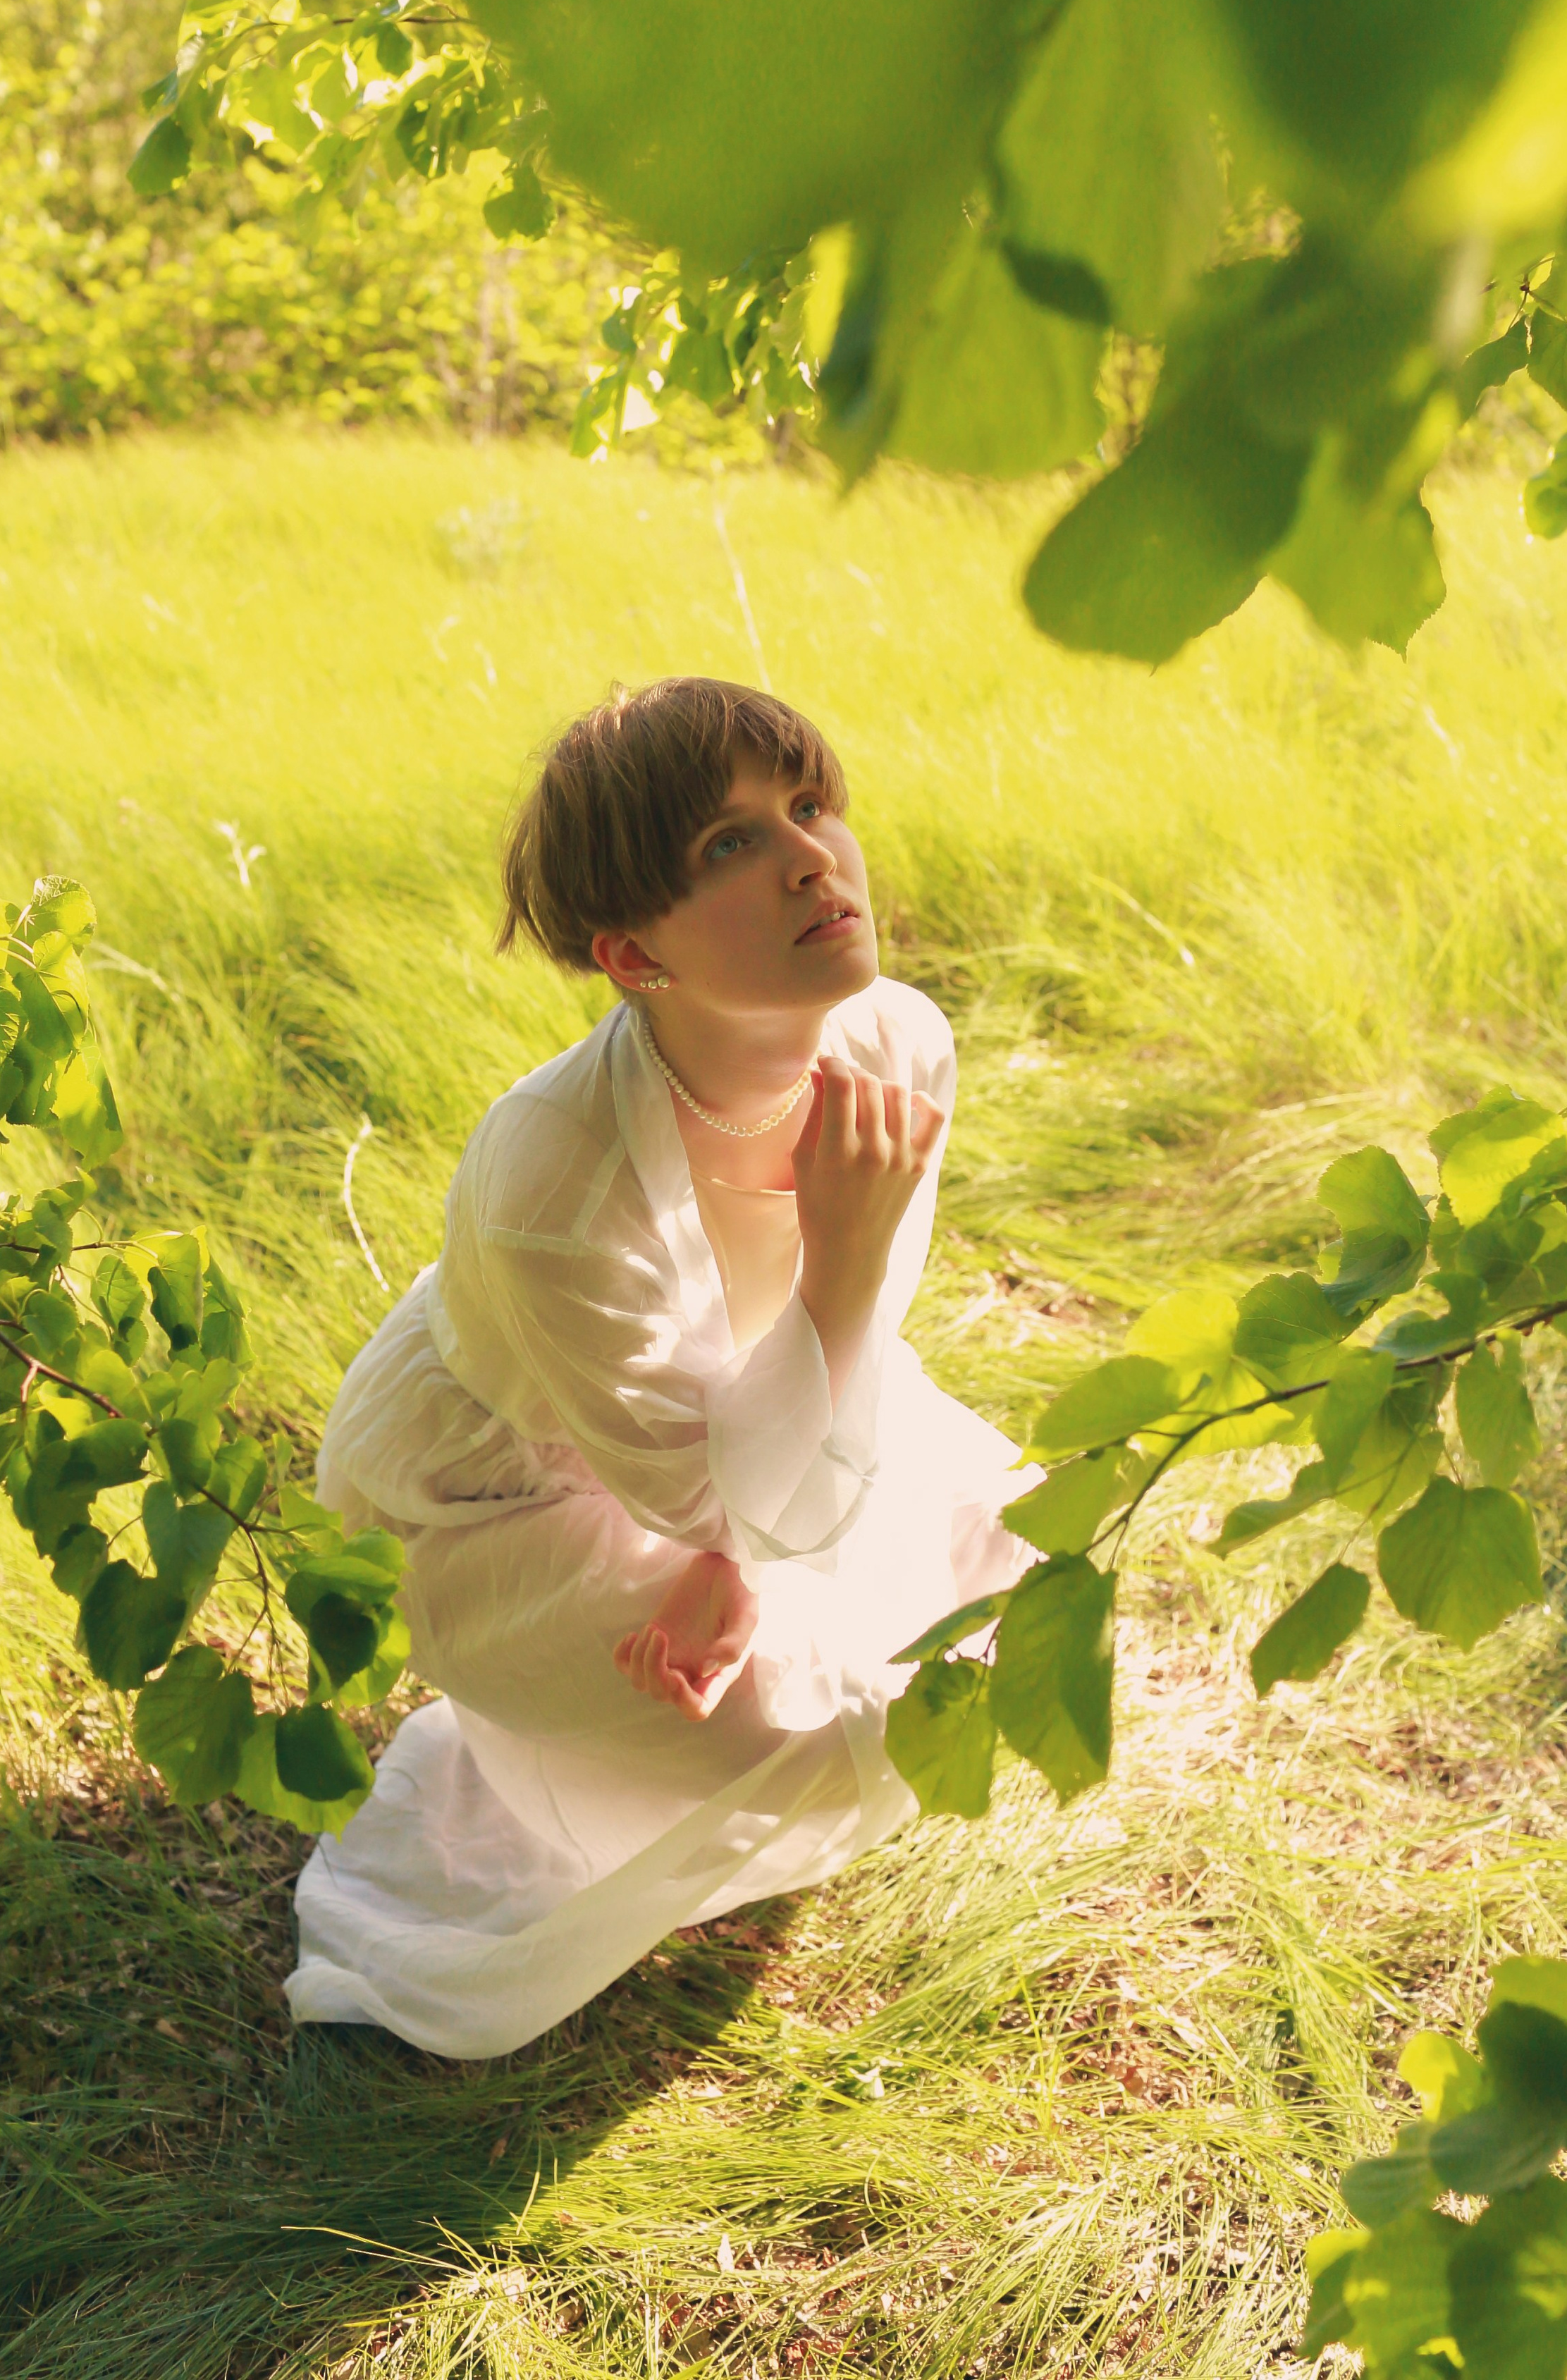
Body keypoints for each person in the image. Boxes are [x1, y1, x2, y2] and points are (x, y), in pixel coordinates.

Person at [285, 677, 1033, 2057]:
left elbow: (825, 1379)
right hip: (492, 1506)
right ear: (634, 956)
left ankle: (727, 1618)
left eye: (806, 804)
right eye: (727, 845)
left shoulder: (894, 1040)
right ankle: (529, 1756)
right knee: (819, 1737)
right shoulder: (547, 1182)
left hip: (727, 1432)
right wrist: (739, 1517)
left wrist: (733, 1549)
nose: (812, 854)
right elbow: (810, 1358)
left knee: (1018, 1553)